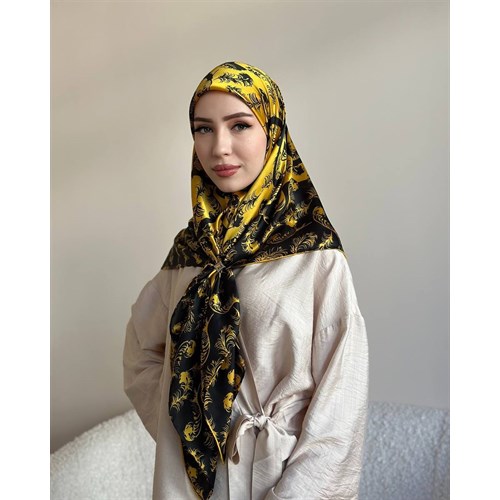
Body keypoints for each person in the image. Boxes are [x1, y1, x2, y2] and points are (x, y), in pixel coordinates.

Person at [123, 61, 369, 500]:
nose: (219, 147)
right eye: (203, 129)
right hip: (189, 478)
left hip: (281, 475)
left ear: (272, 133)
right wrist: (186, 426)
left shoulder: (314, 254)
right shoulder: (189, 252)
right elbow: (141, 353)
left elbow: (342, 400)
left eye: (239, 125)